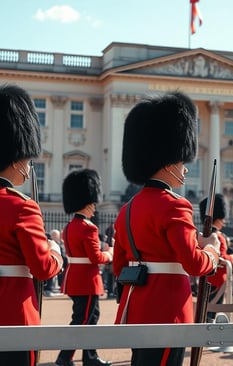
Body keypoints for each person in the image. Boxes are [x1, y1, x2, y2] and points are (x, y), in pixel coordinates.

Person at [113, 91, 220, 366]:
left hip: (136, 307)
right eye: (182, 162)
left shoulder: (128, 208)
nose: (185, 169)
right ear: (171, 162)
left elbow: (118, 266)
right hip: (167, 308)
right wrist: (212, 251)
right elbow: (194, 264)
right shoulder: (175, 205)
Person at [0, 84, 64, 366]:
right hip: (14, 314)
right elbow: (42, 268)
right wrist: (55, 251)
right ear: (16, 159)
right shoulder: (22, 206)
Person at [55, 169, 113, 366]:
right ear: (88, 204)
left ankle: (69, 357)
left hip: (74, 277)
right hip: (87, 281)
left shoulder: (69, 227)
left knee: (82, 319)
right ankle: (86, 358)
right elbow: (96, 258)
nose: (95, 208)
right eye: (93, 204)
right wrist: (110, 254)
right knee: (87, 321)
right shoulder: (89, 227)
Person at [199, 193, 233, 322]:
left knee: (206, 311)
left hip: (208, 278)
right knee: (211, 313)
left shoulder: (206, 233)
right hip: (217, 280)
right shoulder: (217, 236)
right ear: (218, 217)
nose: (224, 221)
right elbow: (221, 258)